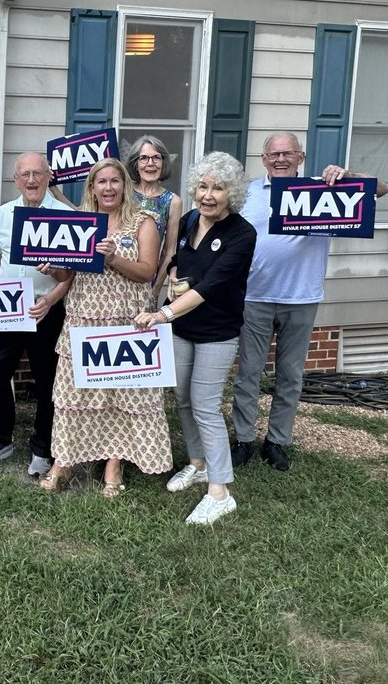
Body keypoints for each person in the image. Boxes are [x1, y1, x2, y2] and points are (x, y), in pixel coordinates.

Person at [230, 133, 388, 471]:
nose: (280, 159)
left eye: (288, 153)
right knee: (248, 373)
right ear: (264, 159)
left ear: (300, 157)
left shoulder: (323, 187)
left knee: (290, 375)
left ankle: (277, 442)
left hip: (301, 297)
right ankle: (243, 440)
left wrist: (348, 175)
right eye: (274, 154)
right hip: (254, 296)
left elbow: (380, 189)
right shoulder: (248, 193)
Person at [133, 151, 256, 526]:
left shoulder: (242, 233)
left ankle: (220, 492)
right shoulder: (188, 221)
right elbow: (175, 259)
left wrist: (163, 313)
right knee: (183, 400)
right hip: (182, 331)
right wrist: (171, 275)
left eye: (217, 188)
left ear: (230, 193)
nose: (208, 194)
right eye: (203, 186)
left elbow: (213, 285)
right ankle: (198, 464)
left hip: (216, 333)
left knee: (204, 405)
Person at [42, 159, 171, 495]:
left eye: (115, 181)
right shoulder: (80, 223)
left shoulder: (144, 222)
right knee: (75, 394)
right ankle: (65, 460)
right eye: (102, 182)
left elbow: (147, 272)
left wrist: (113, 259)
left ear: (124, 185)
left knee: (120, 395)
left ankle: (114, 464)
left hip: (126, 320)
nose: (109, 188)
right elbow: (67, 275)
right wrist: (52, 268)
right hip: (83, 318)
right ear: (92, 187)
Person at [0, 153, 73, 476]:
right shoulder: (3, 215)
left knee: (47, 384)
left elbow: (72, 276)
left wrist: (53, 288)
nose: (31, 180)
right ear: (16, 180)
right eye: (25, 174)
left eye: (37, 174)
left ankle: (43, 449)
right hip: (8, 309)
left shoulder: (66, 216)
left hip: (47, 310)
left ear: (48, 177)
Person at [126, 135, 182, 297]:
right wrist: (56, 191)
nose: (150, 163)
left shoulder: (172, 201)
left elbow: (169, 250)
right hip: (116, 274)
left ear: (164, 162)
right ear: (135, 164)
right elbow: (86, 213)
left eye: (156, 158)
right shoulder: (123, 192)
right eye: (143, 158)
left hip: (146, 280)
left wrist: (156, 288)